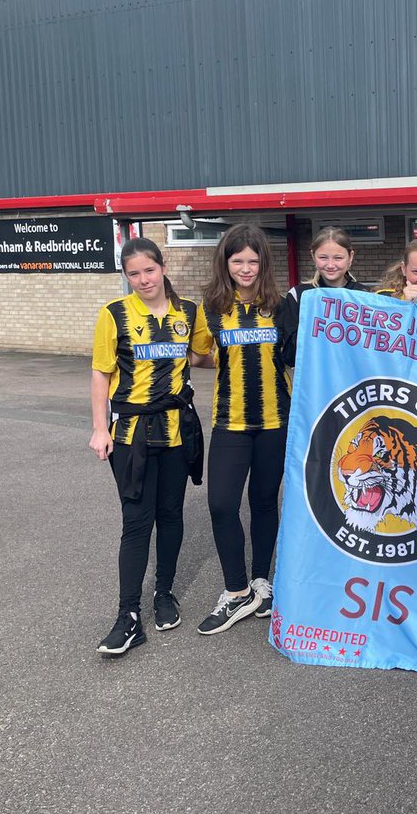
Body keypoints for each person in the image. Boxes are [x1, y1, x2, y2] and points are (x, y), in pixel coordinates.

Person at [89, 237, 210, 656]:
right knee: (136, 522)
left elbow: (201, 354)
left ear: (163, 266)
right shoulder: (114, 314)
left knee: (171, 515)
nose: (143, 279)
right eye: (133, 273)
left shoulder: (188, 312)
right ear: (126, 275)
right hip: (130, 436)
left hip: (177, 433)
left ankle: (164, 593)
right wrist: (98, 428)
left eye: (149, 270)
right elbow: (101, 374)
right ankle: (128, 615)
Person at [192, 224, 291, 635]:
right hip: (230, 422)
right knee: (221, 505)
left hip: (275, 422)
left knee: (265, 502)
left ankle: (261, 584)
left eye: (253, 260)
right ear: (226, 262)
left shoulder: (282, 305)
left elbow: (296, 357)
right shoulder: (211, 306)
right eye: (238, 261)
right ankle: (235, 593)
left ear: (263, 262)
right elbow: (199, 355)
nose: (246, 268)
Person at [278, 227, 369, 367]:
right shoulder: (299, 295)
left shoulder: (363, 295)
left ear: (350, 257)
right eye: (323, 257)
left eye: (338, 258)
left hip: (353, 382)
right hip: (313, 381)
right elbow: (290, 356)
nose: (330, 265)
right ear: (313, 256)